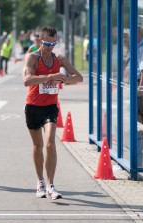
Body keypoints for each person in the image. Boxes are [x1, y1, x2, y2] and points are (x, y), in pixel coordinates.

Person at [22, 26, 83, 199]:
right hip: (33, 107)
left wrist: (65, 79)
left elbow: (79, 77)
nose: (51, 47)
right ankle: (40, 182)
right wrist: (50, 77)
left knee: (50, 143)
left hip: (50, 107)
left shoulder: (60, 58)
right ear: (41, 41)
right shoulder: (32, 57)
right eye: (48, 43)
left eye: (54, 43)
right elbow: (27, 80)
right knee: (38, 145)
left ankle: (51, 185)